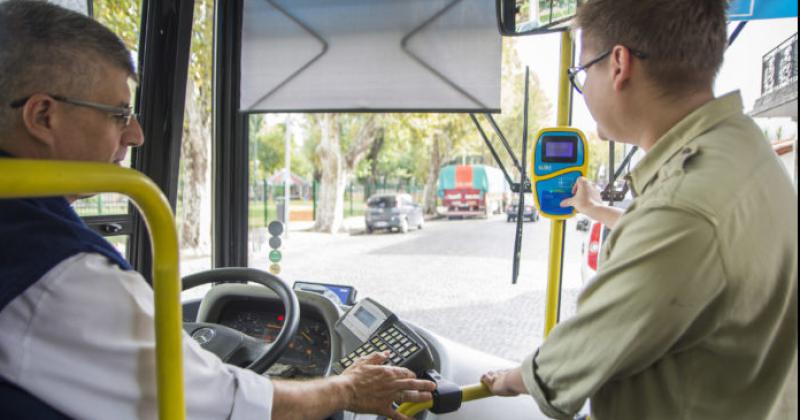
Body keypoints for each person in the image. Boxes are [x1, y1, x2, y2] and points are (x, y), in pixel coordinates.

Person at [0, 1, 434, 419]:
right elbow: (216, 402)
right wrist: (346, 389)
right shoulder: (56, 272)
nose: (136, 135)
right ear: (43, 117)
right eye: (118, 113)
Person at [481, 1, 797, 419]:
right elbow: (692, 254)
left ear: (617, 64)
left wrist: (511, 378)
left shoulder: (684, 208)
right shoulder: (745, 149)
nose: (583, 87)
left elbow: (578, 354)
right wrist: (596, 211)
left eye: (581, 73)